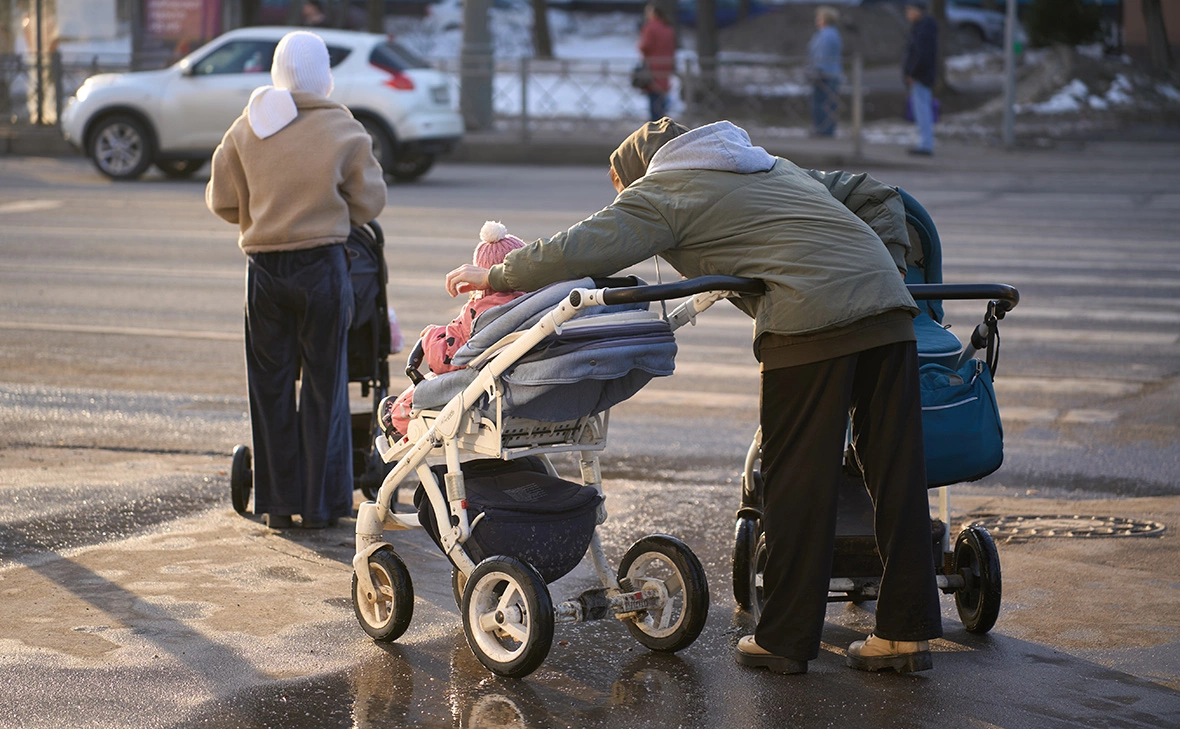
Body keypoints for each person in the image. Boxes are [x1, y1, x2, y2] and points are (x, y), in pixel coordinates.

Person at [445, 118, 943, 675]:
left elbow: (585, 244)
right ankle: (907, 631)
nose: (623, 198)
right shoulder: (769, 166)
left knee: (798, 482)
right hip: (890, 309)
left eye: (621, 187)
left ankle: (784, 638)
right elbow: (877, 195)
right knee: (897, 472)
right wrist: (884, 268)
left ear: (641, 171)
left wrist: (495, 276)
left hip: (810, 325)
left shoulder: (666, 189)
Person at [206, 31, 387, 529]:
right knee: (325, 388)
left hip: (264, 269)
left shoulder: (248, 126)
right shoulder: (342, 127)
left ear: (277, 73)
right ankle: (323, 505)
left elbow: (220, 200)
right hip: (322, 267)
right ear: (324, 75)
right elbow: (369, 203)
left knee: (269, 387)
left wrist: (262, 212)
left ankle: (277, 505)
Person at [380, 221, 526, 441]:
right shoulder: (531, 304)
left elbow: (446, 359)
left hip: (481, 391)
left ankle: (397, 424)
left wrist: (431, 336)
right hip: (515, 383)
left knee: (423, 391)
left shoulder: (481, 312)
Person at [903, 1, 938, 156]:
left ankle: (925, 144)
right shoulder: (923, 27)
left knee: (922, 110)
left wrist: (913, 73)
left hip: (921, 76)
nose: (907, 14)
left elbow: (921, 55)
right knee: (921, 109)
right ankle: (924, 143)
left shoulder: (924, 29)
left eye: (910, 10)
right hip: (921, 75)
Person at [807, 6, 843, 137]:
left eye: (820, 17)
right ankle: (825, 129)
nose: (817, 20)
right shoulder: (832, 33)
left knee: (821, 103)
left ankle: (823, 130)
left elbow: (822, 54)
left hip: (824, 73)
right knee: (827, 103)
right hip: (829, 72)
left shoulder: (826, 34)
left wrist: (817, 69)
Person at [637, 3, 676, 122]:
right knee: (662, 95)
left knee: (653, 96)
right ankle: (663, 122)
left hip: (652, 66)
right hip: (665, 66)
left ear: (654, 14)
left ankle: (655, 126)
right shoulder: (668, 28)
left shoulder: (650, 28)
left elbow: (644, 46)